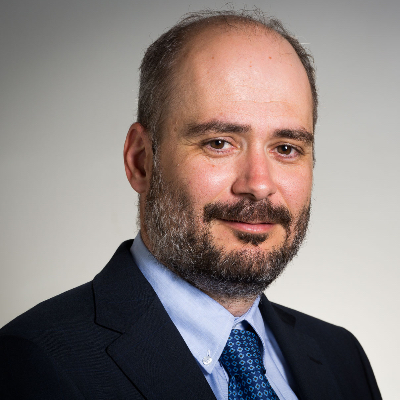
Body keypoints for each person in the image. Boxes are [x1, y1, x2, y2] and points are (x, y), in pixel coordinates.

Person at [0, 9, 382, 400]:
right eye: (219, 143)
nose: (259, 185)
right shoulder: (30, 365)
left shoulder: (341, 357)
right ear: (141, 161)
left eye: (286, 148)